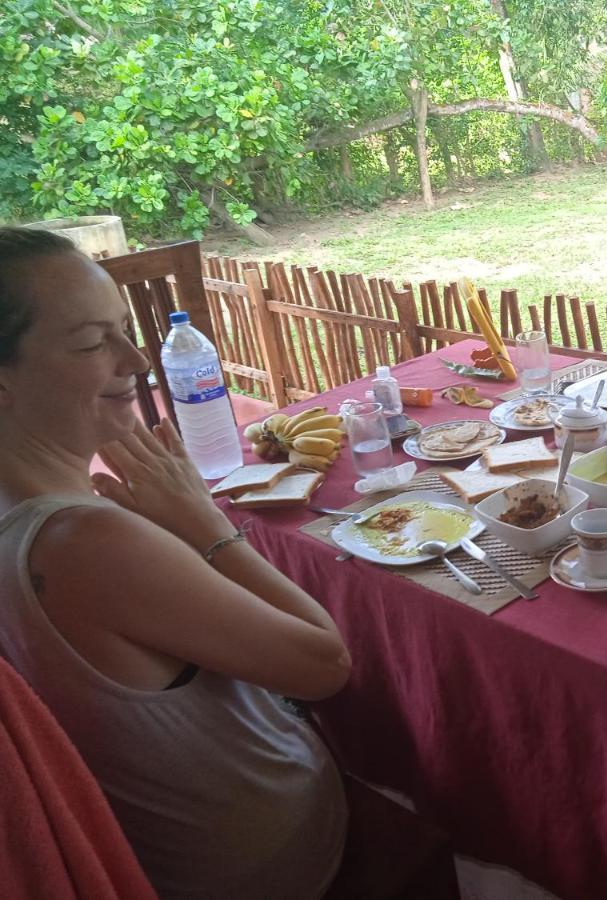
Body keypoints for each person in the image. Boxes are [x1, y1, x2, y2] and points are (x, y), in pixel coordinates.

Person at [0, 227, 351, 898]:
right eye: (90, 342)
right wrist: (206, 525)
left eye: (125, 330)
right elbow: (324, 666)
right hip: (270, 865)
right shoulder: (87, 544)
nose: (136, 361)